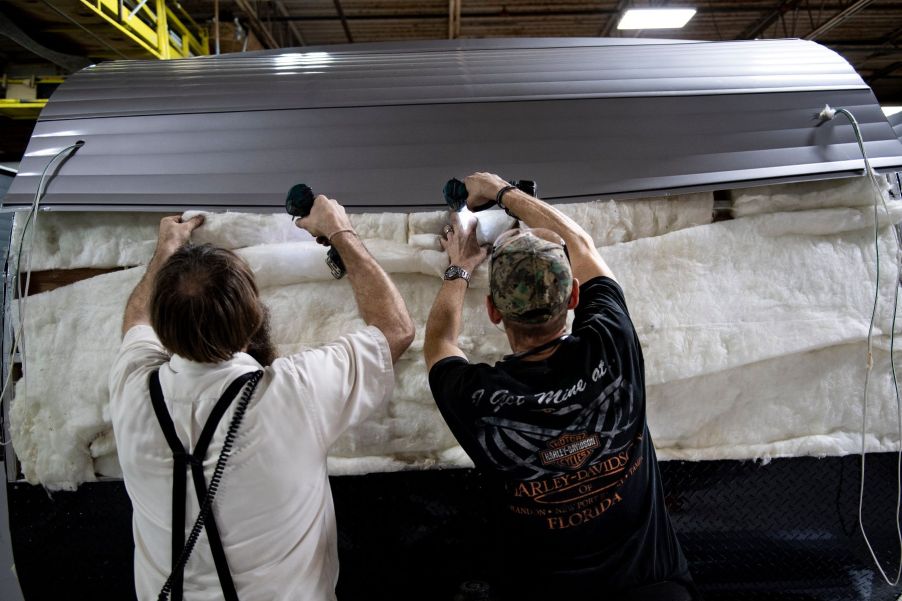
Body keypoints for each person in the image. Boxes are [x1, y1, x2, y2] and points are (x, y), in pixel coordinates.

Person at [109, 196, 414, 601]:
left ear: (163, 333)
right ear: (255, 319)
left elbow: (135, 322)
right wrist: (339, 230)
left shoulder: (132, 389)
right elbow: (394, 329)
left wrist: (166, 250)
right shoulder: (295, 392)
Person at [424, 172, 696, 600]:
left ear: (494, 312)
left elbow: (440, 342)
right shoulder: (613, 347)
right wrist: (501, 191)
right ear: (572, 298)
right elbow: (581, 246)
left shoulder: (477, 399)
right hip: (653, 589)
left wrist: (460, 267)